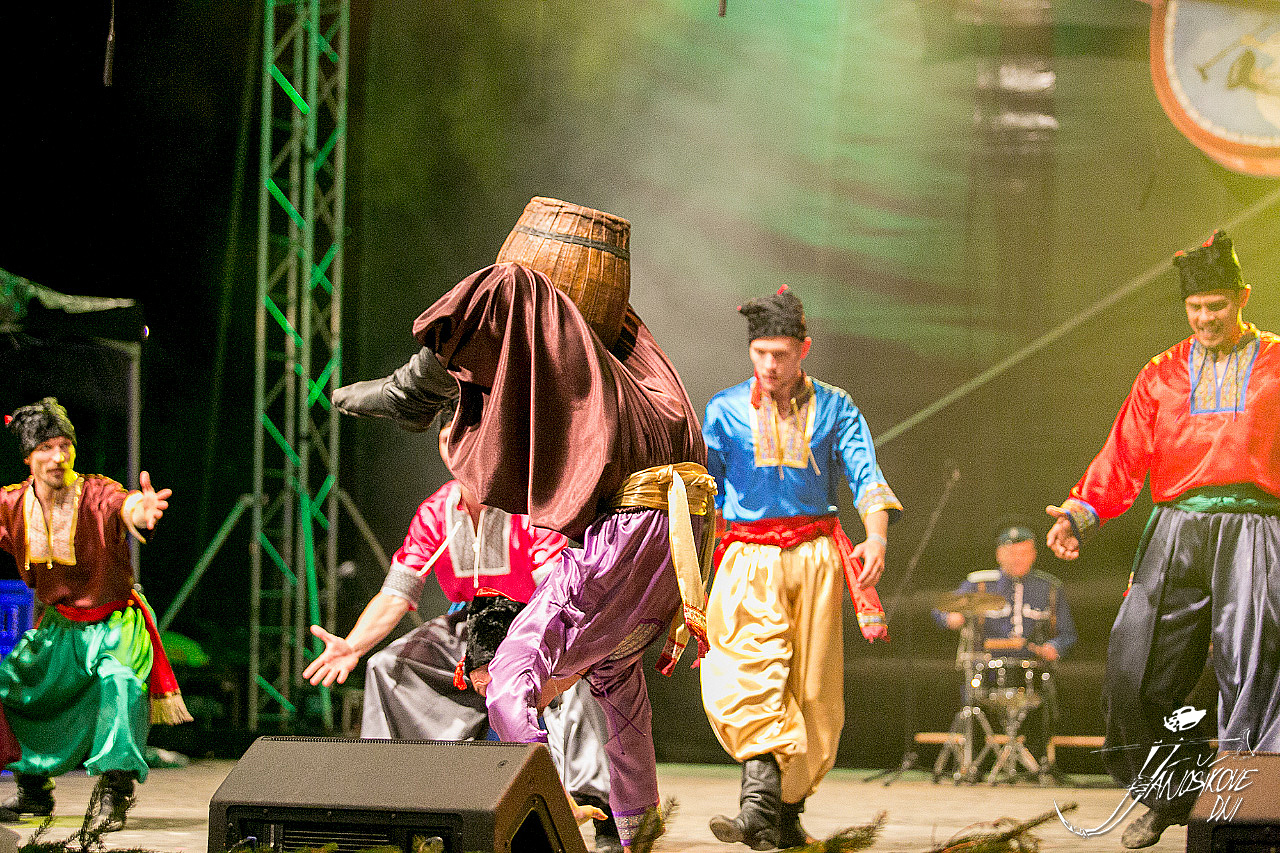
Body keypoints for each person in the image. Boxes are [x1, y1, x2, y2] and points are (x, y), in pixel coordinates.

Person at [330, 198, 712, 848]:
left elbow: (520, 668)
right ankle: (637, 835)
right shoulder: (447, 514)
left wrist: (519, 660)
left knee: (512, 290)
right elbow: (400, 591)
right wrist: (354, 644)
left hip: (639, 527)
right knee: (617, 687)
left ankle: (542, 819)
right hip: (677, 524)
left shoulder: (537, 532)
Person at [1045, 230, 1280, 848]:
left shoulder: (1277, 364)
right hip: (1176, 527)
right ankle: (1173, 793)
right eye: (1195, 308)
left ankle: (1242, 819)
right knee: (1137, 669)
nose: (1205, 318)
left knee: (1253, 673)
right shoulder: (1162, 374)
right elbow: (1123, 456)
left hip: (1256, 529)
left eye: (1217, 305)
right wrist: (1080, 514)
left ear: (1243, 298)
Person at [303, 403, 620, 852]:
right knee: (388, 667)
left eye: (466, 440)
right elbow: (397, 593)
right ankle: (399, 803)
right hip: (467, 624)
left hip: (531, 619)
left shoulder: (527, 503)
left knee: (572, 682)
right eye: (447, 441)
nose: (456, 451)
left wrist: (543, 644)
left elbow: (554, 586)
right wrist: (353, 645)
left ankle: (599, 811)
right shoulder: (437, 511)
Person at [698, 286, 902, 850]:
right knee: (751, 674)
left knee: (813, 695)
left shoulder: (836, 407)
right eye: (761, 353)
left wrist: (876, 536)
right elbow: (701, 489)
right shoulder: (723, 410)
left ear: (804, 350)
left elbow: (865, 474)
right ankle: (757, 809)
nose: (769, 365)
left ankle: (783, 819)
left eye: (781, 354)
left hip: (815, 557)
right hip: (747, 558)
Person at [0, 397, 188, 831]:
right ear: (28, 458)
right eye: (46, 448)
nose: (58, 457)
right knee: (13, 684)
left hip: (115, 621)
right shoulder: (12, 504)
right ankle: (32, 789)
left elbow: (124, 505)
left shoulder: (95, 492)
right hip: (61, 624)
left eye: (65, 445)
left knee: (119, 681)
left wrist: (141, 509)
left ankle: (115, 790)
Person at [934, 524, 1077, 777]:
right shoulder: (979, 583)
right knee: (971, 700)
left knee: (1048, 697)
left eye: (1023, 552)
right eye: (1011, 553)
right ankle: (974, 765)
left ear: (1034, 554)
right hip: (986, 667)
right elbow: (942, 609)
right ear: (999, 554)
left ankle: (1039, 764)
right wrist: (951, 618)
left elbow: (1068, 634)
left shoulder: (1049, 587)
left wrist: (1054, 647)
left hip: (1030, 669)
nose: (1017, 558)